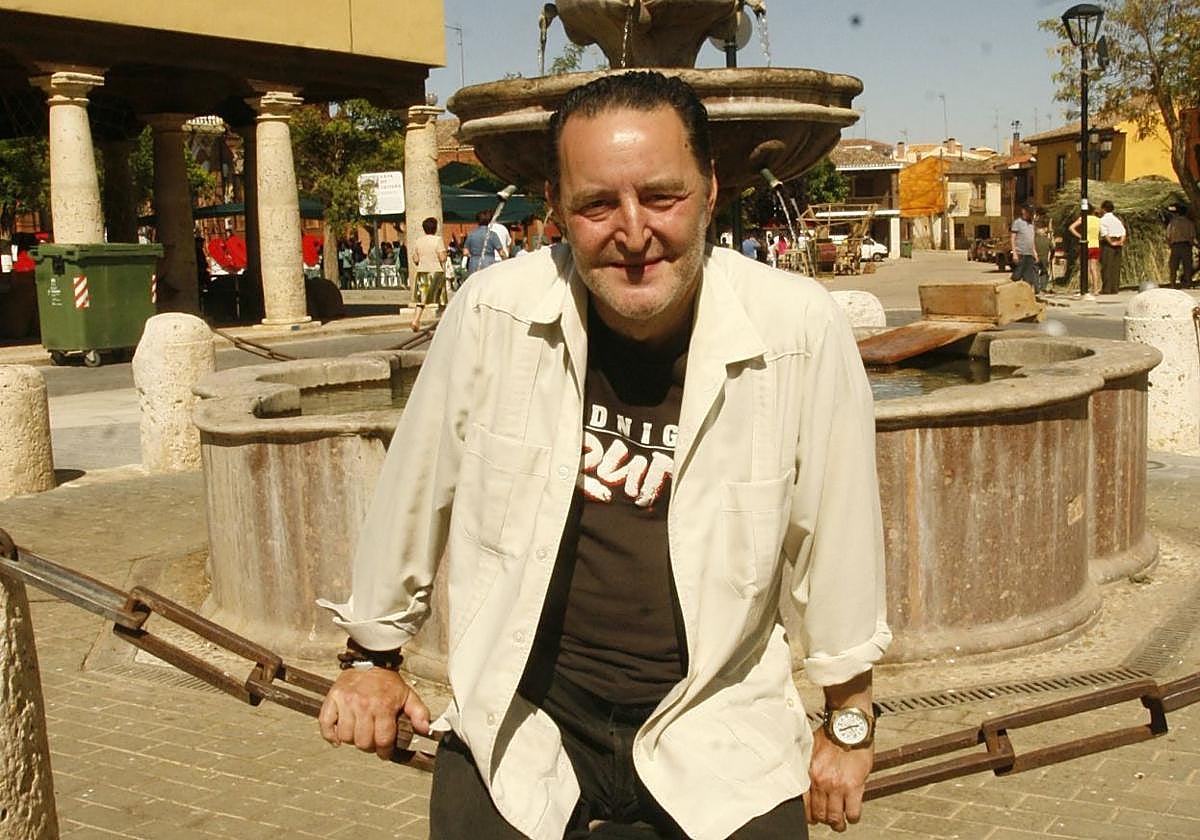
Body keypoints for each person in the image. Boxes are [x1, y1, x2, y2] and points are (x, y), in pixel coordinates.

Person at [317, 71, 889, 840]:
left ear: (711, 189)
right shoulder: (492, 314)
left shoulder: (799, 330)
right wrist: (372, 658)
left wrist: (848, 722)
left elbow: (837, 537)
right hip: (525, 717)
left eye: (661, 196)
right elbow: (415, 490)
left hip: (719, 722)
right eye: (596, 204)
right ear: (555, 207)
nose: (632, 230)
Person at [410, 216, 449, 332]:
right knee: (441, 299)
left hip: (422, 271)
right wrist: (445, 255)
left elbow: (415, 259)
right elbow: (442, 258)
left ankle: (416, 320)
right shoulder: (437, 240)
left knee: (421, 299)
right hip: (436, 271)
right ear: (435, 228)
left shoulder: (419, 241)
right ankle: (443, 321)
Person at [1068, 205, 1101, 293]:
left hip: (1086, 244)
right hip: (1096, 245)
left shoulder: (1083, 218)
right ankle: (1095, 288)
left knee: (1085, 267)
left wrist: (1080, 236)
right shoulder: (1098, 220)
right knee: (1094, 267)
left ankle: (1087, 287)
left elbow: (1071, 228)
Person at [1009, 205, 1041, 292]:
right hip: (1020, 253)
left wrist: (1035, 253)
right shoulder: (1017, 222)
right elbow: (1012, 238)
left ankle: (1026, 296)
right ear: (1023, 211)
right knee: (1016, 276)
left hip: (1029, 254)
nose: (1031, 214)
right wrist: (1014, 253)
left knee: (1028, 278)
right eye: (1029, 212)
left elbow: (1032, 240)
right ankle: (1011, 292)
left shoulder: (1031, 224)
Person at [464, 210, 505, 275]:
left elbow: (465, 252)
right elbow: (501, 253)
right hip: (489, 263)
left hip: (474, 263)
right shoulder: (492, 235)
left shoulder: (471, 235)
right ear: (489, 221)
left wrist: (472, 256)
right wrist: (506, 261)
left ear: (477, 221)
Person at [1098, 200, 1126, 295]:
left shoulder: (1102, 220)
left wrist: (1111, 242)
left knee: (1107, 266)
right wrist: (1121, 241)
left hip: (1108, 244)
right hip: (1118, 242)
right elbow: (1123, 232)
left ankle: (1107, 288)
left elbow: (1104, 233)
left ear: (1104, 209)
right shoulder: (1117, 220)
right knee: (1116, 266)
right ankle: (1115, 288)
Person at [1166, 204, 1195, 288]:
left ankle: (1173, 283)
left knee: (1173, 266)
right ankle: (1188, 282)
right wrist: (1191, 245)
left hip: (1175, 245)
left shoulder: (1172, 223)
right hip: (1186, 245)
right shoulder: (1189, 223)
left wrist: (1170, 245)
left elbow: (1168, 236)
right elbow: (1192, 236)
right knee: (1187, 265)